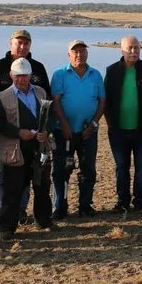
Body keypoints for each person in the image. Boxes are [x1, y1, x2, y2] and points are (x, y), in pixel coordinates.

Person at [0, 29, 50, 224]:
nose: (22, 46)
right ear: (11, 43)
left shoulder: (39, 68)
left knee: (29, 175)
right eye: (19, 42)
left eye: (26, 43)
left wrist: (45, 130)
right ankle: (1, 214)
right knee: (5, 174)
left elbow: (47, 103)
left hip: (33, 137)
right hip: (6, 134)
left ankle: (20, 212)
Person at [0, 58, 55, 239]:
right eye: (18, 76)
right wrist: (19, 132)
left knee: (42, 185)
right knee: (13, 189)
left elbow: (50, 117)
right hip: (15, 150)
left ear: (30, 76)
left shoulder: (41, 92)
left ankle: (43, 220)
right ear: (11, 75)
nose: (21, 79)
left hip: (39, 147)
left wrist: (46, 131)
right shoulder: (3, 97)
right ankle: (6, 228)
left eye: (25, 76)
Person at [103, 36, 142, 213]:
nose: (134, 51)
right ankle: (122, 202)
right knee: (122, 168)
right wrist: (109, 123)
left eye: (136, 47)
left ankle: (139, 201)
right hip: (118, 130)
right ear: (122, 50)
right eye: (130, 48)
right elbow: (104, 99)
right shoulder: (112, 71)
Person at [51, 40, 106, 219]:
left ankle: (85, 205)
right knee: (61, 170)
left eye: (82, 51)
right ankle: (60, 206)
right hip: (63, 132)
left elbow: (102, 101)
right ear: (69, 55)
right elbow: (56, 101)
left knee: (88, 169)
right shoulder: (59, 74)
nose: (79, 55)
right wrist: (65, 125)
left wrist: (94, 125)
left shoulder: (95, 74)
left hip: (88, 132)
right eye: (75, 52)